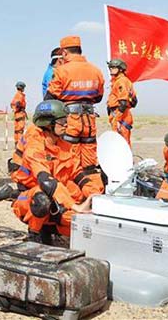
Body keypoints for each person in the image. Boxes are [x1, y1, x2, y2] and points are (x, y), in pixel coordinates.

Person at [10, 100, 96, 243]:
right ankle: (35, 234)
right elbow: (45, 180)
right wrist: (74, 206)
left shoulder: (64, 145)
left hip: (55, 194)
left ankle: (51, 228)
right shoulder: (35, 144)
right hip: (30, 196)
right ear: (48, 124)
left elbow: (78, 174)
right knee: (42, 199)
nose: (67, 124)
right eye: (62, 121)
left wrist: (93, 194)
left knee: (82, 220)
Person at [45, 36, 104, 169]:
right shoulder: (96, 70)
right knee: (89, 162)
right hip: (89, 121)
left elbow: (50, 98)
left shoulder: (61, 71)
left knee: (70, 159)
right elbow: (99, 97)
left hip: (70, 121)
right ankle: (91, 186)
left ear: (64, 52)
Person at [106, 58, 138, 146]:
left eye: (113, 67)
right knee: (118, 141)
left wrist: (117, 119)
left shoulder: (121, 81)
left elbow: (123, 102)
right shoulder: (117, 81)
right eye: (110, 67)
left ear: (120, 69)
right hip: (118, 114)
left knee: (122, 142)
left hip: (121, 115)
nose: (111, 69)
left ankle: (126, 159)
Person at [10, 81, 27, 147]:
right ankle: (21, 144)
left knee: (17, 130)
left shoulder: (16, 95)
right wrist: (17, 109)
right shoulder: (20, 95)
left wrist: (15, 110)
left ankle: (17, 144)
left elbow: (12, 104)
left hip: (17, 114)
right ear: (22, 88)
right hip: (20, 114)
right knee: (20, 130)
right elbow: (18, 103)